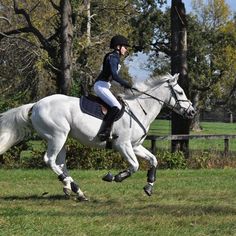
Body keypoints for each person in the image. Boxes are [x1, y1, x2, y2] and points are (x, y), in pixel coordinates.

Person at [94, 35, 132, 141]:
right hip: (101, 86)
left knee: (117, 105)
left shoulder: (116, 58)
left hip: (105, 86)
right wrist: (125, 83)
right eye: (125, 46)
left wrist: (125, 84)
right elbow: (114, 75)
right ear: (118, 47)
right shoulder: (112, 57)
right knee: (116, 106)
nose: (126, 49)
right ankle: (104, 132)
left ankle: (110, 130)